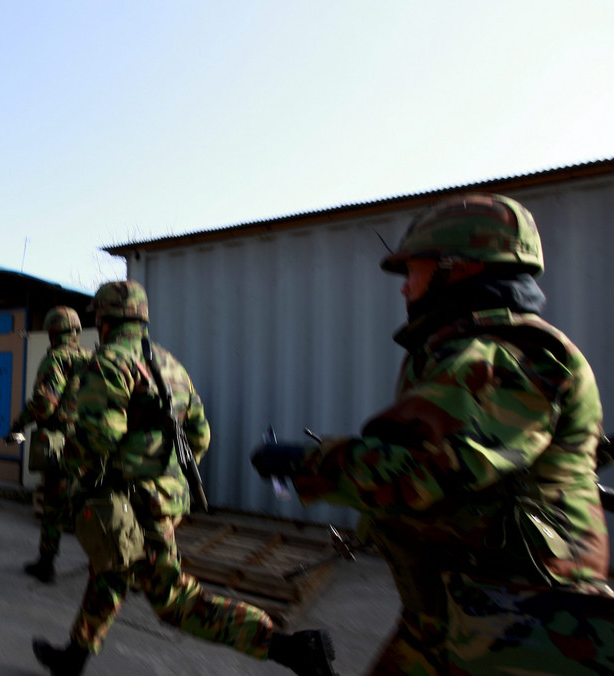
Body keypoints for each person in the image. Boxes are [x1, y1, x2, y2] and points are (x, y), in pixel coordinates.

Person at [252, 193, 614, 674]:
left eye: (413, 272)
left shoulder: (505, 354)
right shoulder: (471, 349)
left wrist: (307, 464)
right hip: (456, 610)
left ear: (457, 268)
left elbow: (426, 469)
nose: (405, 290)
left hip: (523, 627)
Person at [34, 280, 338, 676]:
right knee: (111, 573)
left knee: (174, 602)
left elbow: (98, 437)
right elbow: (200, 435)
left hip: (135, 502)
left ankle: (294, 649)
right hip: (165, 498)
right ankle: (74, 656)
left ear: (104, 319)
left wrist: (64, 463)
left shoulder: (108, 362)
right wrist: (166, 476)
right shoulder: (169, 364)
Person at [5, 305, 92, 584]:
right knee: (92, 503)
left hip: (61, 442)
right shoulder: (92, 359)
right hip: (92, 442)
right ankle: (120, 566)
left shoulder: (55, 359)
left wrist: (18, 424)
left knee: (54, 505)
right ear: (76, 331)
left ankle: (46, 564)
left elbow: (44, 404)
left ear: (52, 333)